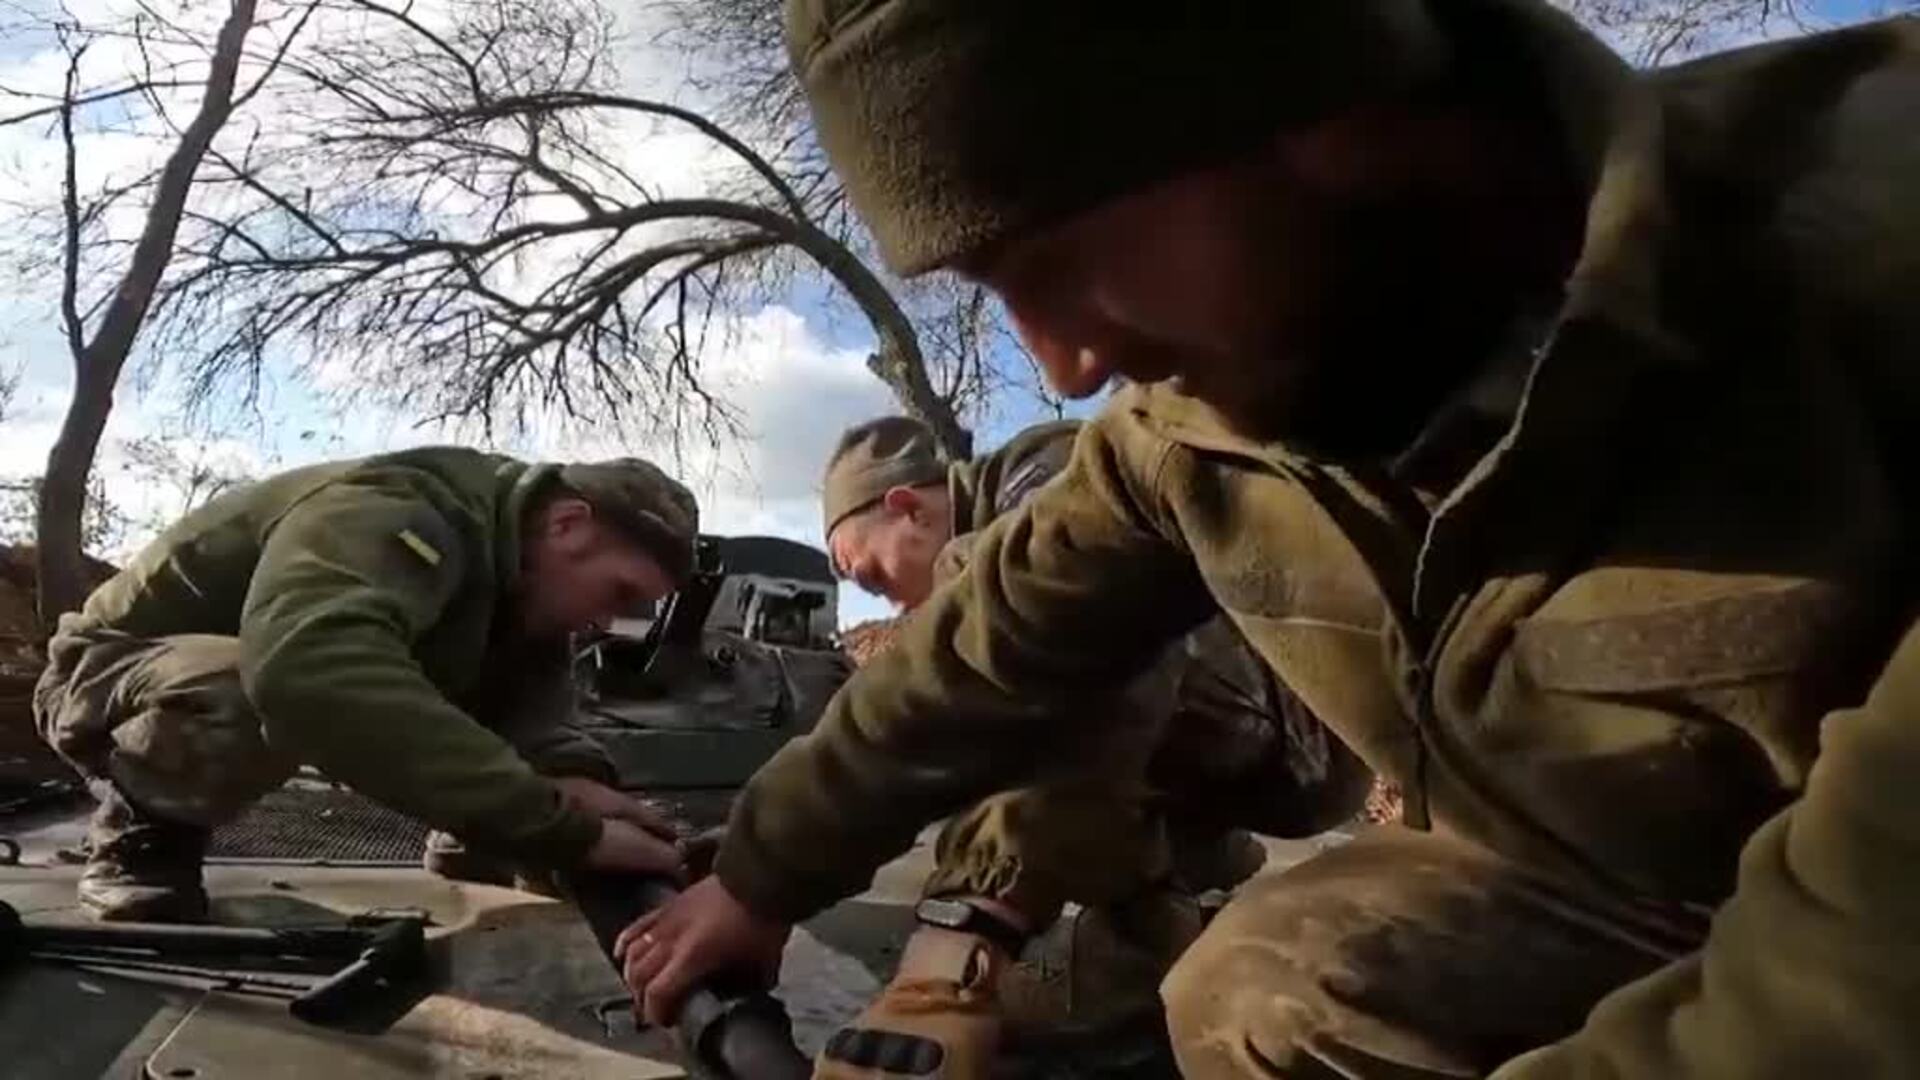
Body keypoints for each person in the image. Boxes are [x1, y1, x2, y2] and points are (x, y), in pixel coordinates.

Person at [620, 2, 1920, 1078]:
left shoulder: (1869, 255)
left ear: (1318, 102)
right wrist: (758, 875)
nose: (1063, 364)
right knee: (1273, 978)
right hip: (1619, 884)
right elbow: (983, 658)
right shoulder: (1189, 429)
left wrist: (965, 933)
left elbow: (1848, 995)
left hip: (1848, 934)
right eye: (994, 292)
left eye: (1061, 249)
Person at [820, 415, 1369, 1052]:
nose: (884, 602)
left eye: (870, 577)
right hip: (1267, 732)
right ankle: (1168, 908)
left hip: (1303, 727)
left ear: (906, 507)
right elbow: (922, 736)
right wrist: (783, 845)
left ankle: (1172, 879)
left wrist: (961, 932)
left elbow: (1089, 659)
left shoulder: (1054, 474)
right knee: (972, 660)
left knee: (988, 596)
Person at [35, 447, 700, 922]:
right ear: (567, 524)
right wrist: (560, 831)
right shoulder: (398, 508)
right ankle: (145, 833)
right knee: (251, 684)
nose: (611, 621)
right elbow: (311, 673)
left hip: (246, 671)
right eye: (620, 591)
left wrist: (579, 792)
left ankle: (473, 842)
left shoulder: (523, 580)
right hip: (112, 676)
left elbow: (537, 717)